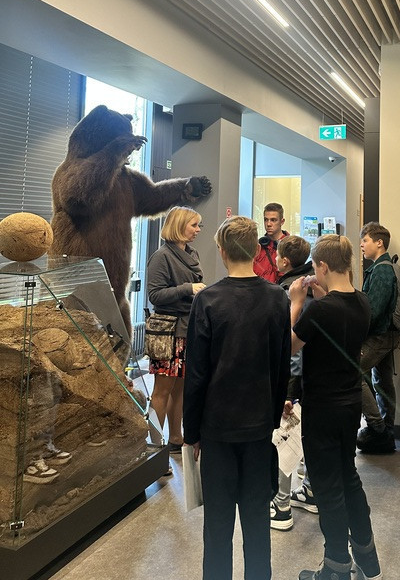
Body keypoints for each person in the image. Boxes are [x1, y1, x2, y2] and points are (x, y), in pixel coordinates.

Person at [183, 216, 290, 580]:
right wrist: (272, 419)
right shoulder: (277, 298)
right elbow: (281, 366)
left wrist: (191, 431)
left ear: (222, 251)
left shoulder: (208, 300)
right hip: (259, 426)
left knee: (217, 523)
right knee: (258, 521)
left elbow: (196, 374)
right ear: (258, 250)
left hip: (217, 428)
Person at [290, 234, 382, 580]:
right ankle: (368, 560)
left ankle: (336, 567)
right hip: (349, 404)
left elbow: (288, 346)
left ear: (323, 266)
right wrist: (320, 298)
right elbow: (336, 323)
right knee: (348, 477)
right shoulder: (362, 301)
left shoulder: (320, 310)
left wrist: (296, 303)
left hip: (322, 408)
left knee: (327, 489)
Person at [146, 206, 205, 457]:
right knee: (162, 390)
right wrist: (187, 289)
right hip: (168, 333)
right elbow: (155, 295)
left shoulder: (191, 253)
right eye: (194, 225)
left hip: (187, 329)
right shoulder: (161, 256)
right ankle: (153, 447)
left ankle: (175, 437)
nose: (198, 230)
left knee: (180, 388)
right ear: (180, 225)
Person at [270, 235, 317, 531]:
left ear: (285, 261)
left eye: (277, 256)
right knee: (306, 434)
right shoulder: (315, 286)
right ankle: (311, 490)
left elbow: (287, 342)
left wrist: (287, 387)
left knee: (283, 438)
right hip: (313, 376)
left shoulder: (287, 292)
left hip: (292, 375)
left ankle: (281, 505)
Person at [356, 222, 398, 454]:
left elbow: (374, 310)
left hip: (378, 336)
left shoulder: (381, 270)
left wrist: (356, 330)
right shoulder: (382, 267)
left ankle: (378, 428)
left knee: (352, 372)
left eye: (365, 240)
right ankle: (387, 429)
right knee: (382, 381)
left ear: (379, 242)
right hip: (387, 335)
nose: (362, 245)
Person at [253, 202, 291, 282]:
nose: (268, 224)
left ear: (282, 222)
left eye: (273, 220)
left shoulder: (292, 247)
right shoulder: (258, 247)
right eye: (266, 220)